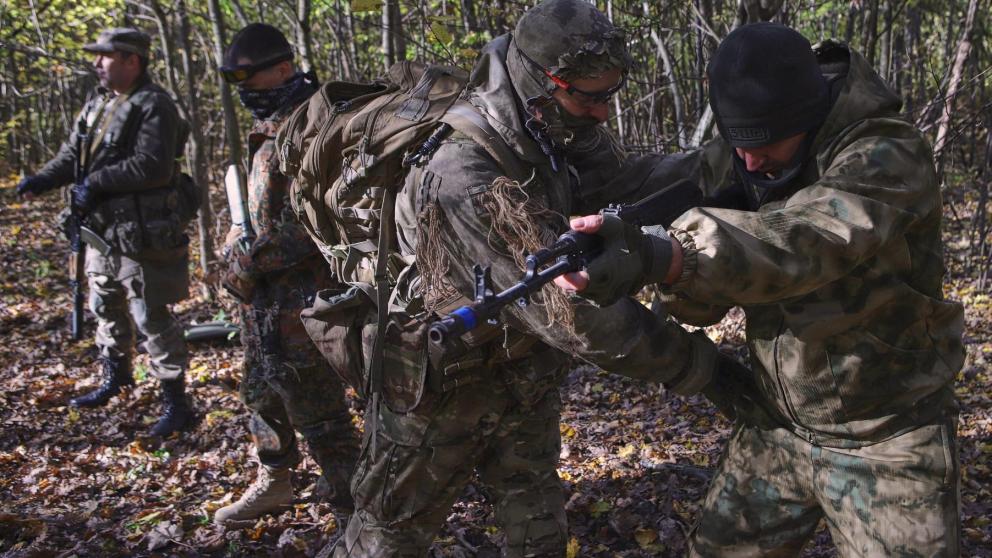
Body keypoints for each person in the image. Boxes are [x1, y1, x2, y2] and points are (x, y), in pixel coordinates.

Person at [330, 1, 729, 555]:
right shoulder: (462, 172)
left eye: (609, 95)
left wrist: (721, 165)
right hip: (437, 386)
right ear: (538, 80)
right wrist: (704, 370)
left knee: (538, 531)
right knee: (387, 538)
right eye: (588, 96)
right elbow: (575, 314)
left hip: (523, 371)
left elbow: (621, 186)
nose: (603, 114)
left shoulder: (554, 126)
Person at [557, 22, 965, 557]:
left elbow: (806, 237)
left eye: (766, 144)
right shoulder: (743, 154)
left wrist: (674, 253)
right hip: (775, 426)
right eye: (738, 144)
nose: (749, 162)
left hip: (888, 439)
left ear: (807, 116)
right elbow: (696, 283)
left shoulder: (888, 156)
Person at [211, 23, 360, 528]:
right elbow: (259, 211)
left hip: (307, 298)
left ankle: (353, 513)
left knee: (319, 412)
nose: (245, 92)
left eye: (250, 80)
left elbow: (310, 227)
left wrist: (243, 264)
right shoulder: (272, 123)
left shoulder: (312, 124)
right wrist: (234, 242)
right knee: (261, 391)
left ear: (282, 68)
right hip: (265, 303)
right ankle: (276, 479)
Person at [16, 28, 194, 438]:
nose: (97, 64)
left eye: (106, 56)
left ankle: (177, 402)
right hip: (102, 230)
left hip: (142, 232)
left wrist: (94, 183)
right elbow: (72, 157)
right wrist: (41, 180)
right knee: (105, 303)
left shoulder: (155, 106)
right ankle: (118, 378)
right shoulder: (98, 102)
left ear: (133, 60)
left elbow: (153, 166)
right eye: (96, 57)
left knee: (149, 313)